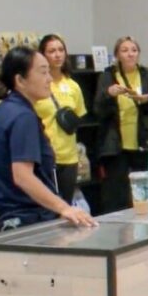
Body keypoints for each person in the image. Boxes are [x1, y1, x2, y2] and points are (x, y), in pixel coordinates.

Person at [0, 46, 95, 229]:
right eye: (43, 72)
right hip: (23, 217)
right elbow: (22, 175)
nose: (49, 78)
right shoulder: (22, 116)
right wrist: (64, 208)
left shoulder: (4, 109)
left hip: (4, 212)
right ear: (20, 80)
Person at [93, 36, 148, 213]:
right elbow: (98, 110)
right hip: (116, 146)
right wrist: (109, 95)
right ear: (117, 55)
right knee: (116, 197)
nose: (130, 54)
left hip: (144, 143)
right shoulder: (107, 76)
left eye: (134, 50)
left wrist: (147, 101)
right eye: (125, 50)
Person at [34, 34, 87, 204]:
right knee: (47, 207)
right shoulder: (36, 85)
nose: (57, 55)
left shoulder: (73, 86)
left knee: (66, 205)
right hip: (45, 157)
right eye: (51, 51)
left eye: (61, 50)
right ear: (42, 55)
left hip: (69, 157)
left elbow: (78, 117)